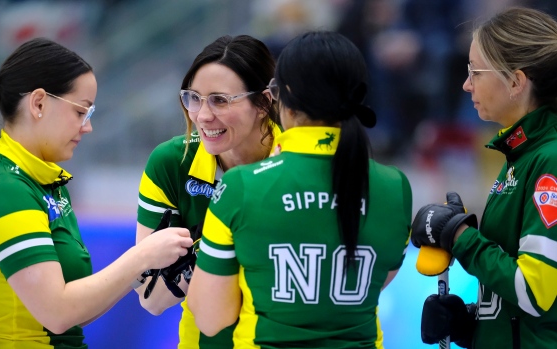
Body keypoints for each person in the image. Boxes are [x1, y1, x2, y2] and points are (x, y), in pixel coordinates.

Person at [0, 37, 193, 348]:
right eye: (81, 112)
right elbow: (58, 313)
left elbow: (76, 311)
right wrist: (142, 255)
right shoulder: (2, 190)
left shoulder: (45, 182)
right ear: (38, 103)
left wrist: (143, 268)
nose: (87, 127)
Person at [188, 30, 413, 348]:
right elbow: (376, 282)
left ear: (285, 96)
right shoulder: (396, 187)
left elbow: (211, 319)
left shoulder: (242, 186)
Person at [410, 7, 557, 349]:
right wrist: (469, 323)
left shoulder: (549, 160)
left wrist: (460, 235)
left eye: (475, 71)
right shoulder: (520, 157)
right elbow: (520, 307)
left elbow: (534, 291)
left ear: (516, 82)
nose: (466, 84)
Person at [134, 35, 280, 348]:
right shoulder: (172, 163)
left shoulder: (301, 161)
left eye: (220, 100)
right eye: (194, 98)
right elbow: (151, 297)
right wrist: (217, 246)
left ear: (265, 102)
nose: (202, 115)